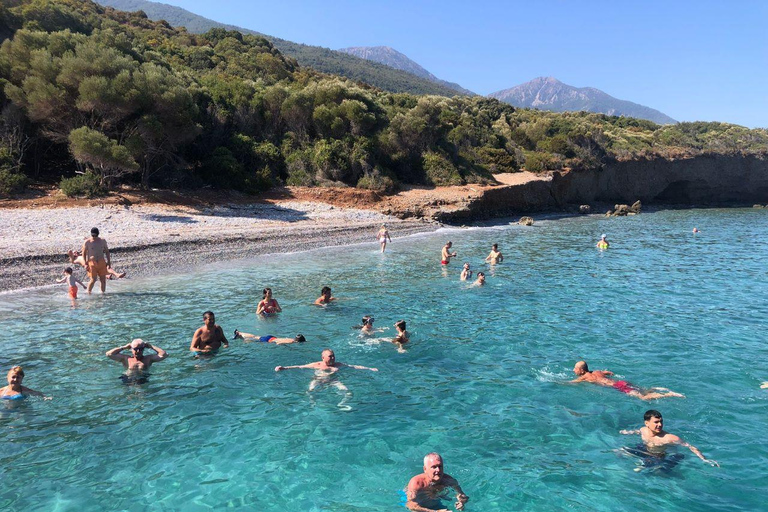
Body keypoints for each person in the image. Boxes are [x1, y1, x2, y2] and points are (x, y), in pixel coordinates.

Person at [620, 409, 719, 467]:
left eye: (661, 422)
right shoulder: (643, 430)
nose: (660, 425)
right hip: (644, 449)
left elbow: (689, 446)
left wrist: (704, 459)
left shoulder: (670, 438)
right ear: (647, 423)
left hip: (659, 456)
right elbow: (637, 431)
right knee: (620, 451)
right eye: (656, 422)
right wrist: (628, 432)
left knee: (649, 468)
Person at [571, 361, 684, 400]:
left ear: (581, 370)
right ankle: (656, 388)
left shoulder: (584, 377)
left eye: (575, 368)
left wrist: (558, 383)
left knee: (643, 397)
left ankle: (668, 394)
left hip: (619, 387)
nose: (573, 370)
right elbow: (608, 372)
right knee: (645, 390)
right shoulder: (596, 371)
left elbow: (573, 383)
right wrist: (609, 373)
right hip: (621, 382)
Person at [405, 453, 469, 512]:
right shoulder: (416, 483)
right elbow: (410, 505)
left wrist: (461, 502)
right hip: (416, 504)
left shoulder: (448, 480)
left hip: (434, 503)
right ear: (425, 469)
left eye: (440, 466)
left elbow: (462, 495)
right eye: (434, 467)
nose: (438, 470)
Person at [275, 349, 378, 375]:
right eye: (330, 357)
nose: (333, 358)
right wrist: (284, 368)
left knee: (346, 391)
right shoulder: (317, 364)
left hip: (333, 381)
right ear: (323, 357)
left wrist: (369, 368)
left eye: (333, 356)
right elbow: (300, 366)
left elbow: (354, 366)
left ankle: (343, 403)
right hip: (319, 380)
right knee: (310, 391)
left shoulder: (338, 364)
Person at [81, 227, 111, 294]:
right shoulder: (87, 242)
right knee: (93, 279)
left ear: (98, 234)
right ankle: (88, 292)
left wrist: (109, 262)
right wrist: (85, 263)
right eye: (93, 235)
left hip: (101, 262)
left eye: (95, 235)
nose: (94, 237)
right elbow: (84, 252)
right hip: (92, 263)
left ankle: (103, 293)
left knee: (103, 280)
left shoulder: (102, 241)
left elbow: (107, 251)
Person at [234, 330, 306, 345]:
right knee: (253, 339)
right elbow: (278, 343)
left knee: (255, 336)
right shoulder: (291, 342)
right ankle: (241, 336)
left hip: (272, 337)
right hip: (269, 340)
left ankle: (240, 333)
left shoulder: (291, 339)